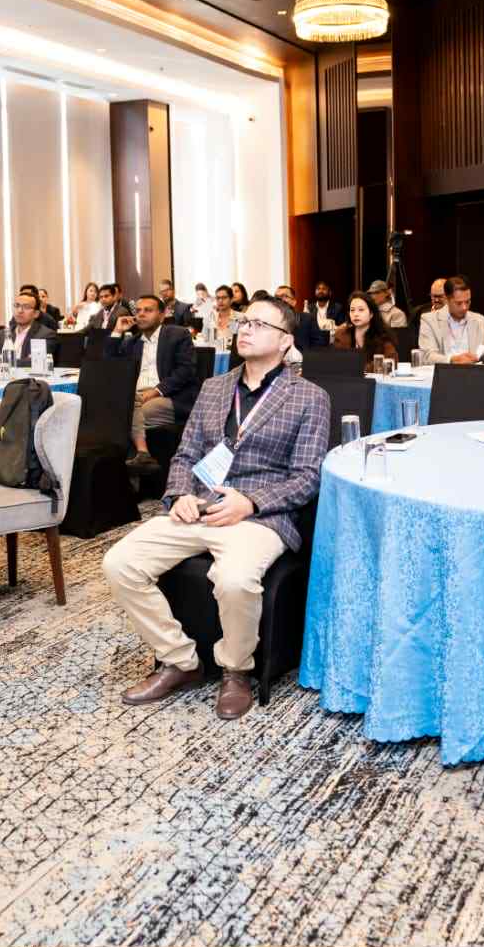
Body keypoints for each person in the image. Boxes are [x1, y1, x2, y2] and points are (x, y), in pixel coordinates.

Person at [102, 296, 330, 720]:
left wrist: (251, 502)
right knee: (120, 563)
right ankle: (180, 660)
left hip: (261, 516)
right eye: (245, 322)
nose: (247, 329)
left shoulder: (309, 397)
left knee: (234, 579)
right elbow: (186, 454)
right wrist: (179, 495)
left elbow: (308, 477)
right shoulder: (214, 388)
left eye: (260, 325)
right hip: (201, 506)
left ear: (285, 341)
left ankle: (236, 670)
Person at [109, 295, 200, 473]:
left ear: (162, 314)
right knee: (122, 409)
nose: (141, 314)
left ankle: (138, 459)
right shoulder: (132, 342)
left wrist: (156, 391)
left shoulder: (177, 335)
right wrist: (117, 331)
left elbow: (186, 370)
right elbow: (110, 366)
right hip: (136, 396)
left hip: (169, 396)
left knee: (128, 415)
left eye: (148, 310)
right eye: (138, 311)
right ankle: (141, 455)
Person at [417, 276, 484, 365]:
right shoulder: (429, 320)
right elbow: (427, 356)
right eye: (458, 303)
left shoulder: (480, 320)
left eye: (467, 302)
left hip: (474, 371)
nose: (464, 307)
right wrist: (452, 360)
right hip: (444, 372)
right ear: (447, 300)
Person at [0, 290, 58, 366]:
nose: (20, 311)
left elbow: (34, 363)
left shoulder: (45, 335)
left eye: (26, 307)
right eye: (17, 306)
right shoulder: (2, 334)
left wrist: (3, 363)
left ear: (36, 314)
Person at [332, 291, 399, 365]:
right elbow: (335, 361)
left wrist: (363, 368)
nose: (355, 314)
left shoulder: (382, 335)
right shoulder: (342, 334)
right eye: (352, 310)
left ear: (371, 314)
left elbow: (391, 361)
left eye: (361, 310)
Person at [275, 284, 328, 351]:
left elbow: (319, 345)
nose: (279, 299)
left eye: (284, 296)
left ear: (294, 302)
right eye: (276, 297)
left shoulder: (307, 319)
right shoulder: (269, 321)